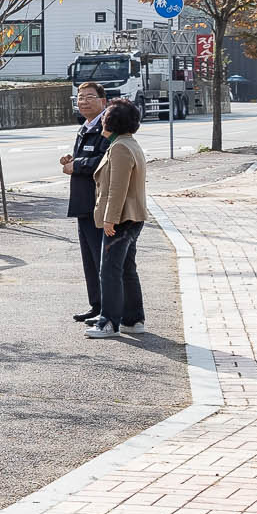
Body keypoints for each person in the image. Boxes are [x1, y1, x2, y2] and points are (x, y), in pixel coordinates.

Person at [88, 99, 149, 338]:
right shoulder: (129, 143)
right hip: (132, 216)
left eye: (105, 117)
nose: (102, 119)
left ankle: (108, 322)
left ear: (111, 122)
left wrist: (109, 219)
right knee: (125, 268)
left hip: (122, 218)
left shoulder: (120, 148)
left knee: (110, 270)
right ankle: (133, 319)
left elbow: (117, 188)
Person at [60, 81, 112, 323]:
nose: (83, 101)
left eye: (89, 97)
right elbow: (88, 157)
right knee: (89, 259)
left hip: (98, 203)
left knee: (102, 258)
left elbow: (105, 161)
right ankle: (96, 305)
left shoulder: (106, 126)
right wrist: (72, 160)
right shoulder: (85, 127)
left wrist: (77, 165)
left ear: (103, 101)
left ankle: (107, 308)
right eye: (80, 97)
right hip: (83, 203)